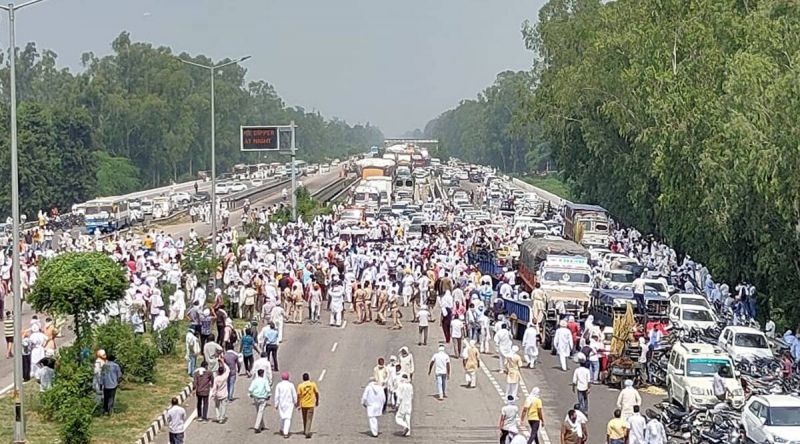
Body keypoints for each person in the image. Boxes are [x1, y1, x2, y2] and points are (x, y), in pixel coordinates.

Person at [274, 372, 298, 438]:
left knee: (282, 416)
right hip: (289, 403)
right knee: (288, 418)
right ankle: (285, 432)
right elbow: (294, 394)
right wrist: (296, 402)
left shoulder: (279, 385)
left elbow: (277, 395)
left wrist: (276, 404)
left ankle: (282, 429)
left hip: (281, 403)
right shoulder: (291, 385)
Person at [248, 368, 271, 433]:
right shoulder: (264, 381)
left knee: (259, 411)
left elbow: (250, 389)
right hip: (263, 398)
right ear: (262, 374)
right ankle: (257, 426)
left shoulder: (255, 381)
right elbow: (268, 389)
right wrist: (269, 395)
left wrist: (250, 394)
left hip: (256, 397)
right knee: (260, 412)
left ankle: (262, 425)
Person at [297, 372, 320, 438]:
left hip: (303, 404)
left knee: (304, 418)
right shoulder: (312, 384)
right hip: (310, 404)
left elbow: (298, 395)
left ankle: (305, 430)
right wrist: (317, 401)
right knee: (309, 419)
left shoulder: (300, 386)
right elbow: (317, 393)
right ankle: (307, 431)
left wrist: (298, 403)